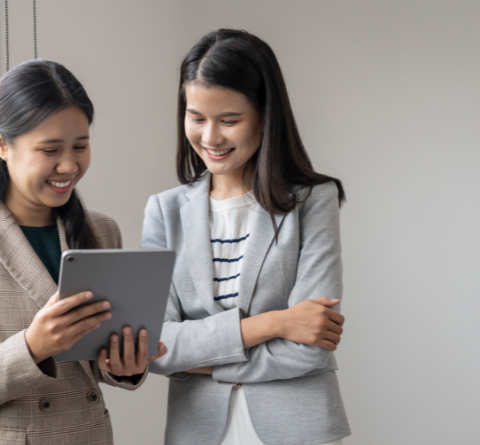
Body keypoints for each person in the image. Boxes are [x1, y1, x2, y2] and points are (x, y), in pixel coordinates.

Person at [0, 59, 166, 445]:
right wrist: (33, 347)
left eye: (80, 146)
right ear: (0, 144)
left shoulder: (101, 231)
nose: (69, 165)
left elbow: (94, 364)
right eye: (49, 149)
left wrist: (126, 365)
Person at [142, 29, 351, 445]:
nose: (210, 137)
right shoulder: (165, 212)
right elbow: (155, 342)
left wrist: (200, 358)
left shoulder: (313, 200)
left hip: (299, 429)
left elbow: (310, 346)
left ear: (265, 115)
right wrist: (275, 323)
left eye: (229, 120)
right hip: (196, 431)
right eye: (196, 117)